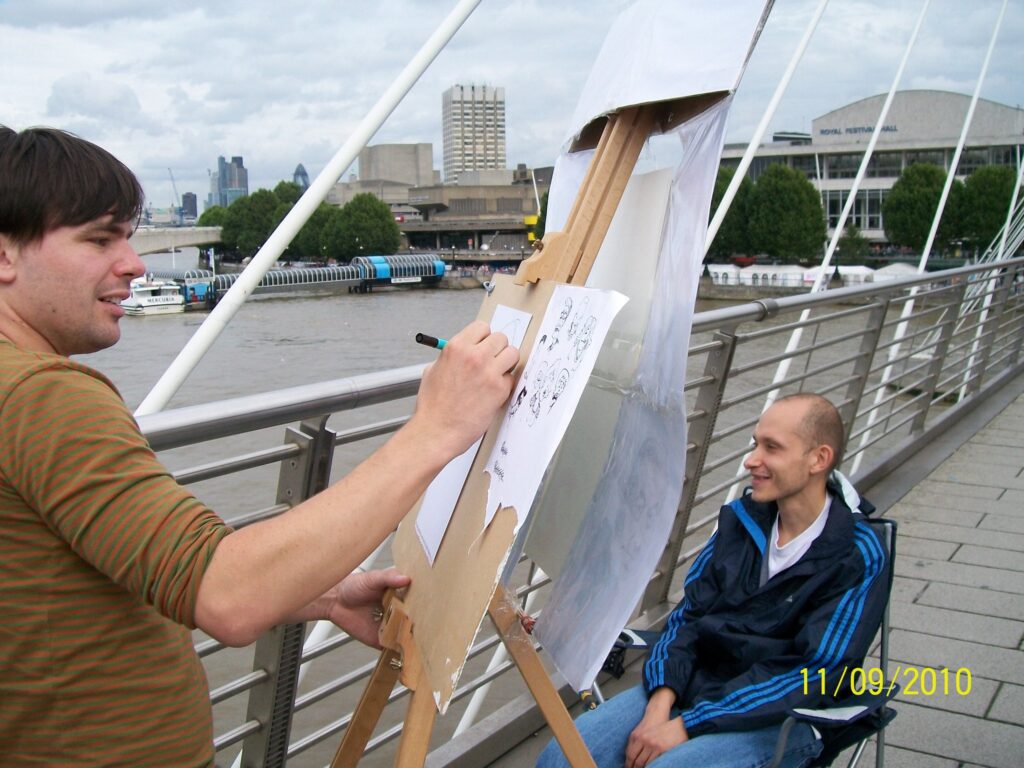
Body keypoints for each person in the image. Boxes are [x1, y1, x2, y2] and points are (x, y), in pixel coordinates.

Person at [0, 126, 519, 766]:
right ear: (5, 254)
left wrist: (323, 596)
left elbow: (80, 577)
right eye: (100, 239)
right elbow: (226, 594)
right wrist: (438, 428)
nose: (134, 263)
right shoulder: (40, 396)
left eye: (130, 237)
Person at [537, 394, 889, 768]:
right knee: (560, 759)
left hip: (786, 717)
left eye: (772, 448)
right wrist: (661, 703)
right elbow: (687, 618)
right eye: (756, 444)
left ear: (819, 459)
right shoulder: (739, 521)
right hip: (695, 686)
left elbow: (815, 672)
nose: (751, 459)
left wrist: (688, 724)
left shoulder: (857, 554)